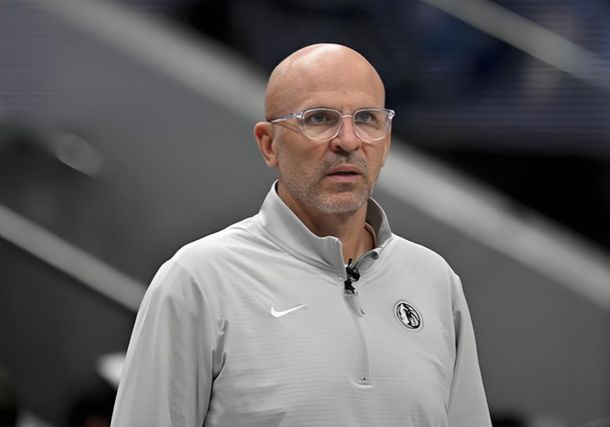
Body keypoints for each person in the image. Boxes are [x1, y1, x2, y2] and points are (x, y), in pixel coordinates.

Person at [110, 43, 491, 427]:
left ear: (386, 139)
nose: (348, 141)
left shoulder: (434, 280)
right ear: (269, 144)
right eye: (319, 118)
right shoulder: (199, 279)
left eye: (366, 119)